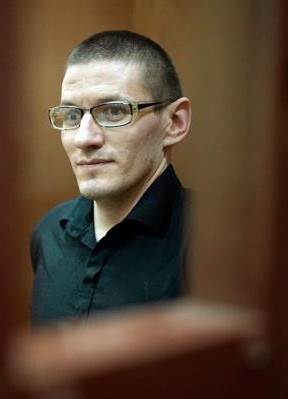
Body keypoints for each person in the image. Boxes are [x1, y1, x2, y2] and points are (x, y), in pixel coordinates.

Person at [30, 30, 192, 326]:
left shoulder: (209, 244)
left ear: (174, 123)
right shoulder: (48, 233)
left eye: (114, 111)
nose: (84, 138)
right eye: (71, 115)